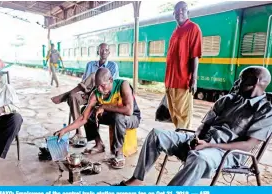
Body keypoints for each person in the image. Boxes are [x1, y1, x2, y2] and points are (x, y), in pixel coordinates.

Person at [116, 66, 272, 186]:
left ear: (255, 82)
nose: (237, 84)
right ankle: (136, 180)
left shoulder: (266, 111)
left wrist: (209, 145)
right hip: (205, 141)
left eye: (242, 80)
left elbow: (248, 145)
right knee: (156, 134)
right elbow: (205, 124)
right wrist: (197, 138)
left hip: (228, 152)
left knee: (199, 158)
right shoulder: (228, 99)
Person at [54, 68, 140, 169]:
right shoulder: (95, 94)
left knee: (118, 117)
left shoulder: (123, 85)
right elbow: (83, 118)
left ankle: (119, 153)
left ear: (111, 80)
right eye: (97, 86)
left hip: (131, 118)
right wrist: (64, 130)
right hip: (113, 116)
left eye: (103, 85)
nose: (99, 89)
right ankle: (99, 144)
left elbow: (128, 110)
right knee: (86, 112)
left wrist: (103, 107)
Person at [51, 43, 119, 144]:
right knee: (73, 96)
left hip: (103, 96)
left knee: (93, 76)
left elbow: (110, 86)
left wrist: (92, 86)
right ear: (98, 52)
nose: (103, 52)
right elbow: (84, 82)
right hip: (88, 93)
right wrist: (86, 91)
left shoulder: (113, 66)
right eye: (101, 50)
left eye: (106, 50)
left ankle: (64, 96)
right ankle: (78, 132)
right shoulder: (90, 64)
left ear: (109, 52)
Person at [164, 1, 202, 129]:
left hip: (183, 81)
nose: (180, 12)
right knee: (174, 114)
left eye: (183, 9)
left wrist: (194, 79)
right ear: (173, 14)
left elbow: (195, 55)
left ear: (188, 12)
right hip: (170, 82)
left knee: (183, 117)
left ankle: (182, 144)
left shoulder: (193, 28)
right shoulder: (175, 32)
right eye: (177, 10)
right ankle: (178, 139)